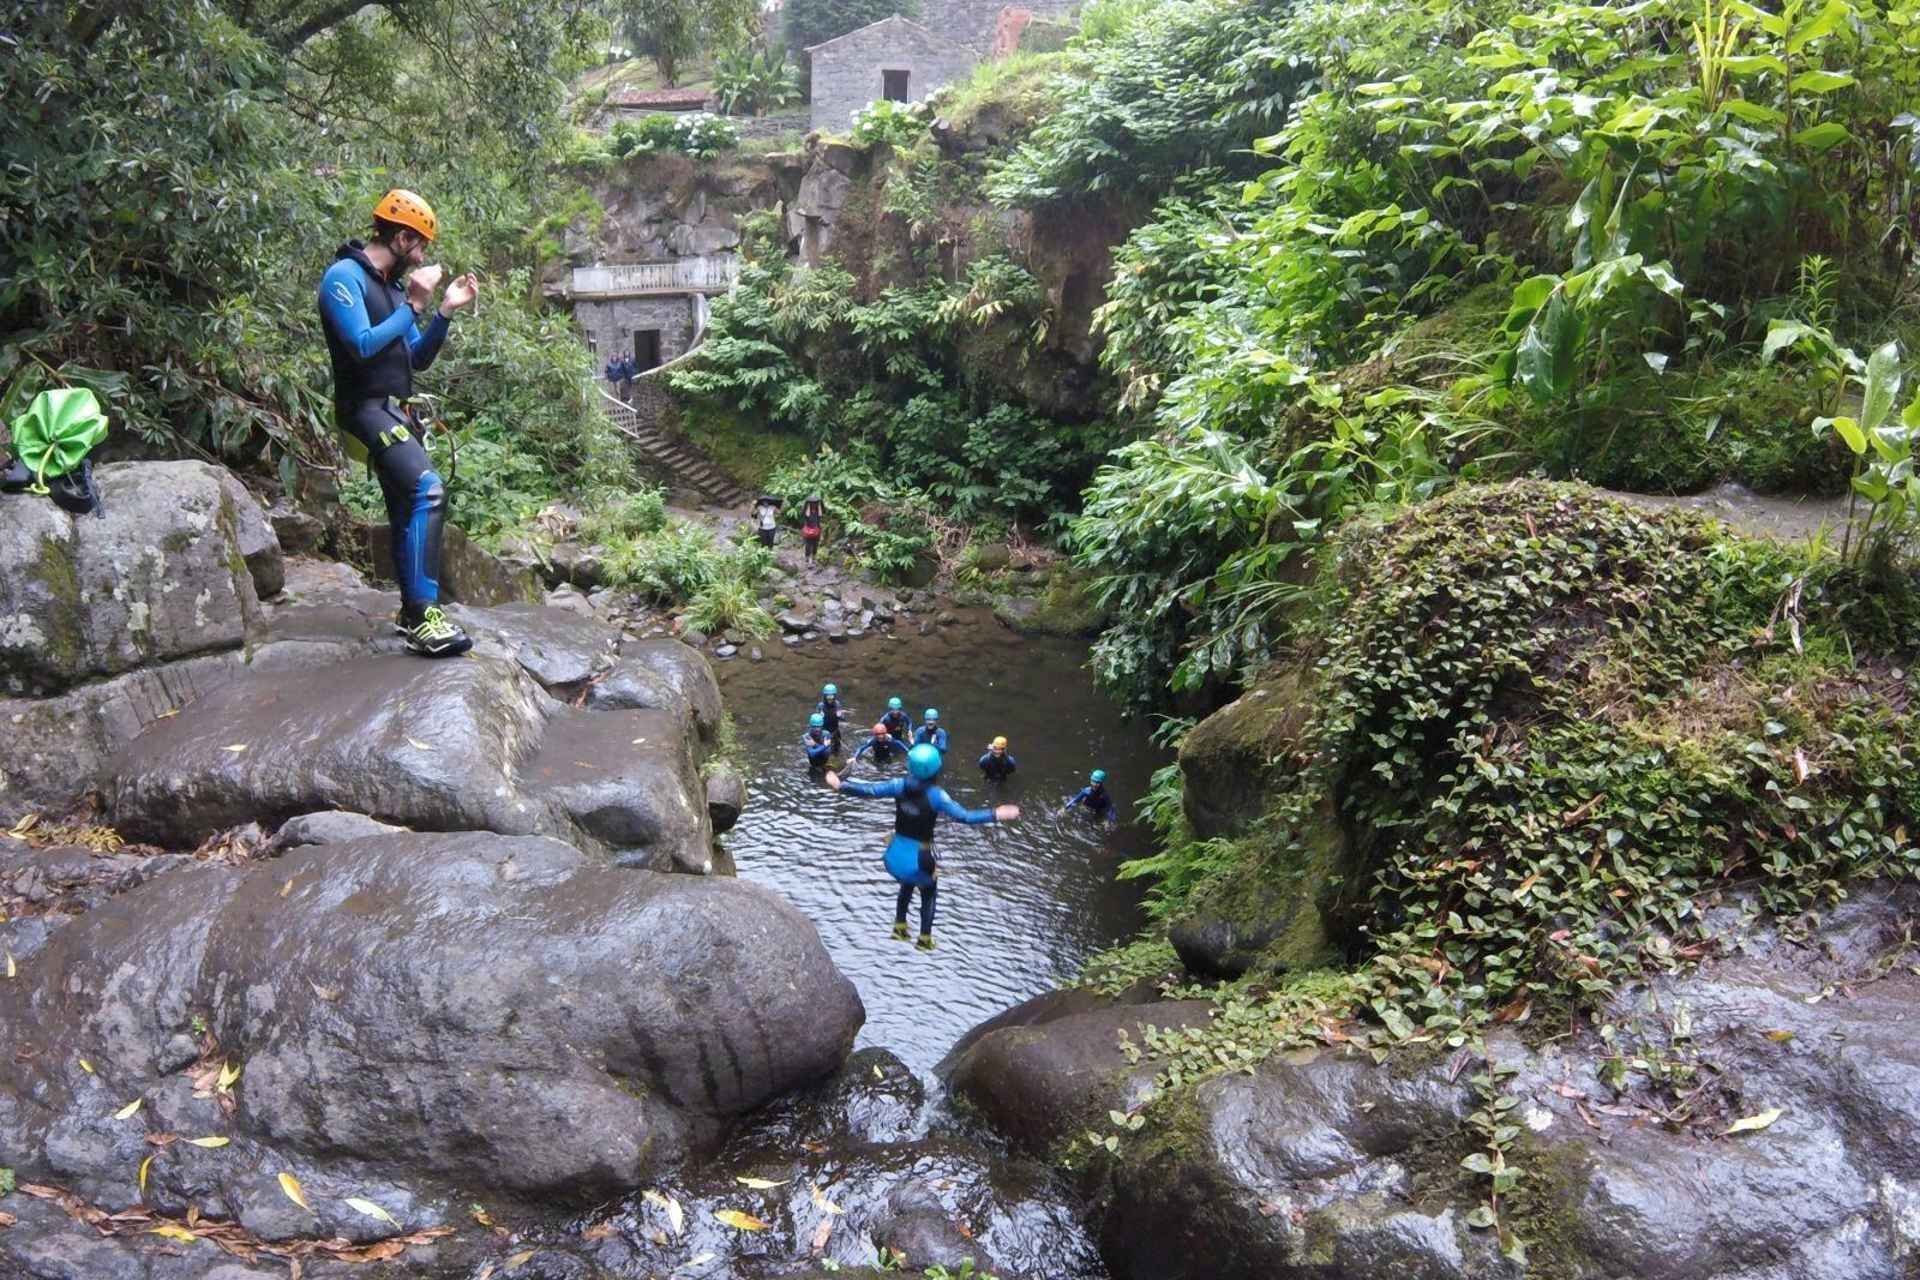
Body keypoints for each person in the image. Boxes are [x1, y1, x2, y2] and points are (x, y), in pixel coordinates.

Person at [318, 188, 478, 658]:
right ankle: (426, 615)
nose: (424, 255)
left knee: (407, 505)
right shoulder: (343, 278)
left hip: (395, 411)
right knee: (428, 489)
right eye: (422, 244)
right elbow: (362, 346)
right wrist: (413, 305)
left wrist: (444, 310)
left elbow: (416, 358)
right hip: (363, 408)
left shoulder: (392, 289)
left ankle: (413, 614)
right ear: (403, 237)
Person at [827, 743, 1018, 950]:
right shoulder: (937, 796)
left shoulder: (898, 785)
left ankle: (899, 928)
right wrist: (996, 814)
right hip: (919, 859)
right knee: (929, 891)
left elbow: (870, 790)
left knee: (907, 883)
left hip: (894, 857)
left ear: (911, 766)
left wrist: (841, 786)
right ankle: (925, 940)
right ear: (936, 768)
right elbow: (964, 817)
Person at [816, 682, 847, 752]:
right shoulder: (820, 706)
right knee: (823, 749)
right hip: (824, 731)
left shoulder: (837, 704)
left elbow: (843, 719)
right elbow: (815, 722)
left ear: (834, 696)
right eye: (828, 696)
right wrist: (820, 716)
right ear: (824, 696)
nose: (829, 699)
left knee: (837, 749)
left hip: (835, 730)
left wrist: (840, 716)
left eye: (831, 696)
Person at [801, 495, 824, 565]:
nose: (814, 504)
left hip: (817, 531)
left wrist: (819, 504)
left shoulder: (818, 510)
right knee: (808, 546)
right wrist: (808, 505)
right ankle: (807, 557)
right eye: (812, 503)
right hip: (808, 531)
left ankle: (814, 558)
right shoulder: (807, 511)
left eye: (815, 503)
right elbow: (807, 515)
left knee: (815, 545)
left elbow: (820, 515)